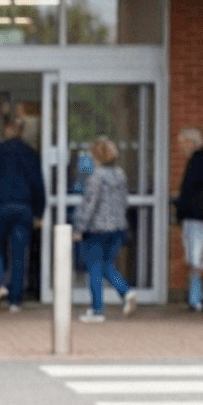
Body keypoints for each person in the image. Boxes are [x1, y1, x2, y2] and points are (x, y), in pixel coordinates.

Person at [0, 115, 46, 312]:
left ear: (7, 130)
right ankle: (15, 301)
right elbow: (38, 184)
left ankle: (0, 284)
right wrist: (39, 212)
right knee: (19, 254)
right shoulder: (30, 153)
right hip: (23, 208)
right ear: (21, 132)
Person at [72, 138, 137, 322]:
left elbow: (90, 205)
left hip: (97, 229)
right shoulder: (120, 175)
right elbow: (124, 201)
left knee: (94, 267)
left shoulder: (96, 177)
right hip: (117, 228)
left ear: (97, 155)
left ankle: (97, 310)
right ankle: (126, 292)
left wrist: (79, 228)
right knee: (107, 264)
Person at [172, 127, 203, 311]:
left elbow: (190, 189)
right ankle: (196, 296)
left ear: (191, 142)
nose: (181, 147)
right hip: (195, 215)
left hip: (197, 216)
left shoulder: (199, 160)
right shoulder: (199, 159)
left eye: (182, 143)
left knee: (197, 257)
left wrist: (179, 204)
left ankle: (196, 298)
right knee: (195, 257)